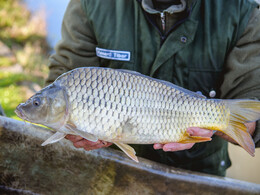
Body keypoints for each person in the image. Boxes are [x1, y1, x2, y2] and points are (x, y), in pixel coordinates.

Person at [46, 0, 260, 176]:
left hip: (198, 173)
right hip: (107, 167)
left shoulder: (243, 11)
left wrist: (215, 123)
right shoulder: (91, 4)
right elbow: (62, 81)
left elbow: (254, 107)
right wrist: (69, 130)